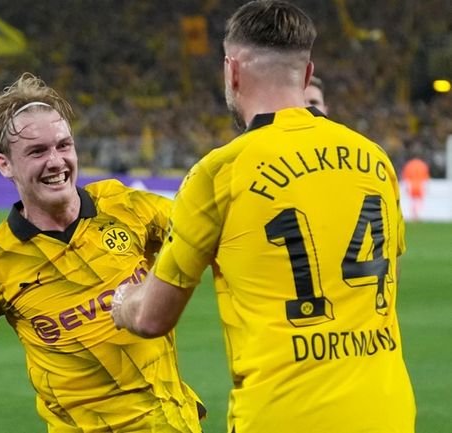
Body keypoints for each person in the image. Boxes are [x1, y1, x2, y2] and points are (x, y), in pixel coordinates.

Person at [111, 2, 416, 433]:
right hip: (388, 413)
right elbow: (389, 282)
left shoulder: (220, 172)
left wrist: (122, 302)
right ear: (307, 74)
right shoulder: (375, 159)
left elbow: (151, 318)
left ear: (231, 71)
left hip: (281, 416)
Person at [0, 73, 205, 433]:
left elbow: (205, 236)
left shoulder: (125, 205)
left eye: (63, 146)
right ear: (5, 164)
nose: (56, 162)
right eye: (37, 151)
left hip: (171, 424)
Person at [401, 156, 430, 221]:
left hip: (411, 186)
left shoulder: (409, 164)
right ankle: (417, 214)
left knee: (412, 201)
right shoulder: (423, 165)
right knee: (419, 201)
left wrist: (405, 187)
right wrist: (426, 187)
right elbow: (426, 177)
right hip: (420, 186)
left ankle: (414, 215)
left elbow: (405, 176)